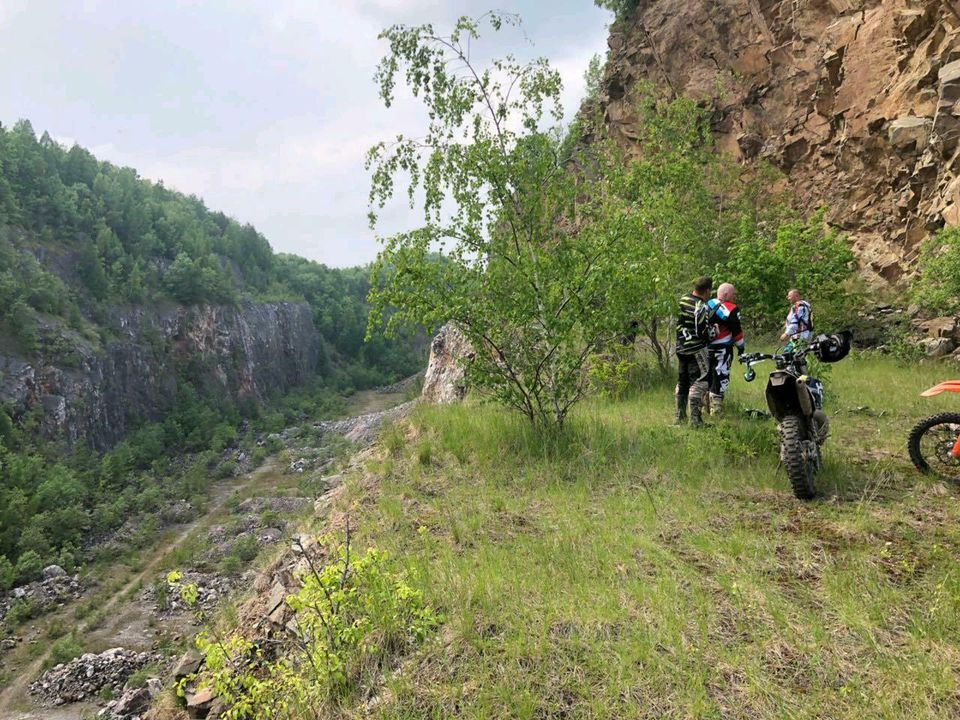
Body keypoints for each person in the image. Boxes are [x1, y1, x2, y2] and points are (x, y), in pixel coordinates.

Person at [675, 276, 713, 427]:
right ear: (707, 290)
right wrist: (712, 333)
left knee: (682, 381)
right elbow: (701, 331)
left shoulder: (682, 299)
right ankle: (696, 420)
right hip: (696, 349)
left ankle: (680, 417)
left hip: (680, 347)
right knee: (699, 381)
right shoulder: (700, 305)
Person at [706, 283, 745, 417]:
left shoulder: (707, 304)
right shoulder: (731, 309)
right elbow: (737, 332)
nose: (734, 297)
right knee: (720, 376)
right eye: (733, 294)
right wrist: (741, 347)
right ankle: (716, 410)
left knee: (706, 376)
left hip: (704, 348)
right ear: (726, 294)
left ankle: (703, 407)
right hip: (722, 349)